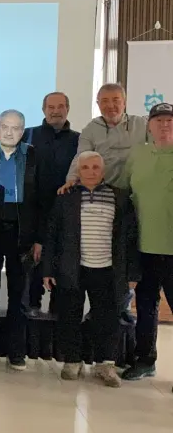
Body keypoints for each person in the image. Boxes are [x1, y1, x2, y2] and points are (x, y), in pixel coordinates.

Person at [43, 151, 138, 388]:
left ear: (103, 171)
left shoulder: (120, 198)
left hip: (108, 269)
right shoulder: (65, 197)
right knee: (69, 315)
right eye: (85, 167)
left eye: (96, 167)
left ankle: (105, 364)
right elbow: (52, 235)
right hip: (73, 268)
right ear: (78, 171)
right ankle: (72, 360)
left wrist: (132, 274)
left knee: (108, 319)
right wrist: (48, 269)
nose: (91, 172)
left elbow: (130, 238)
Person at [0, 110, 38, 369]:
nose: (9, 132)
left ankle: (16, 351)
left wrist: (38, 238)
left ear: (22, 132)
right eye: (5, 126)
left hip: (21, 231)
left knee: (19, 293)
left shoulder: (33, 156)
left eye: (15, 128)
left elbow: (40, 198)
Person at [120, 102, 173, 382]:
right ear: (149, 126)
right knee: (145, 306)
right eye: (159, 121)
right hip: (144, 246)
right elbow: (123, 192)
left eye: (169, 121)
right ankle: (145, 360)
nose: (164, 125)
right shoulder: (137, 155)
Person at [23, 92, 79, 311]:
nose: (56, 111)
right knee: (29, 288)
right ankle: (30, 329)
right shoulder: (27, 136)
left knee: (62, 286)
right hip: (32, 218)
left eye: (61, 106)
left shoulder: (78, 140)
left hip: (66, 221)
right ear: (43, 109)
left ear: (68, 109)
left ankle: (57, 330)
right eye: (51, 107)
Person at [64, 84, 147, 189]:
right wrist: (71, 179)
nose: (110, 106)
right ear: (98, 104)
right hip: (104, 191)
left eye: (116, 100)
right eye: (105, 101)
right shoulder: (91, 129)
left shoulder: (141, 124)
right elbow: (81, 156)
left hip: (138, 189)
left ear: (124, 103)